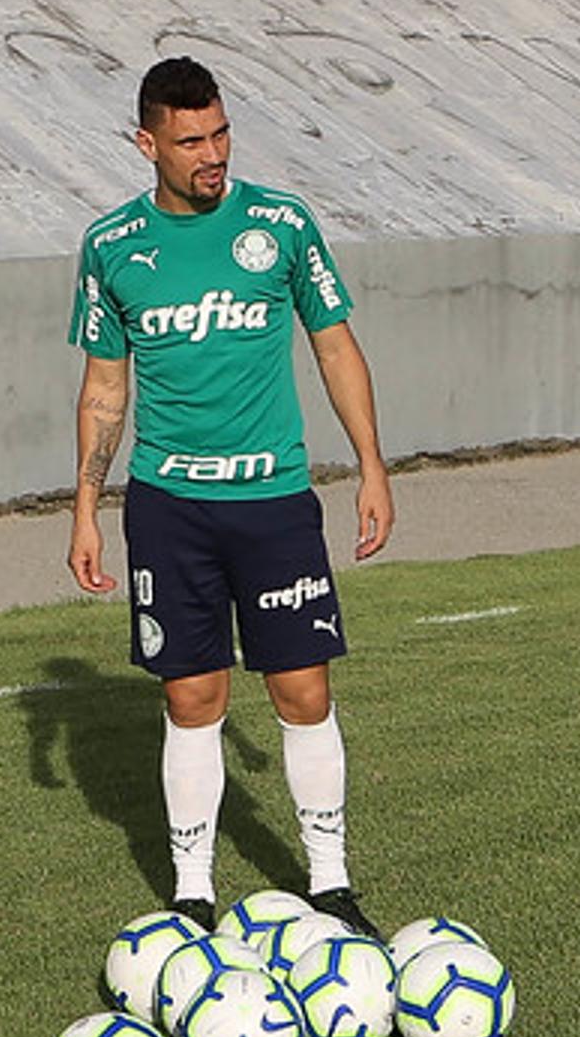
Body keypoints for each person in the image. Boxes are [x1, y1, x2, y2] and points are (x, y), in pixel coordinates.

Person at [65, 57, 395, 940]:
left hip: (277, 501)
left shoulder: (281, 224)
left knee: (301, 689)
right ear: (147, 144)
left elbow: (334, 345)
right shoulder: (110, 246)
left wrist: (371, 464)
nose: (211, 154)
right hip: (169, 507)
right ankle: (192, 892)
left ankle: (331, 881)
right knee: (191, 698)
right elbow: (105, 388)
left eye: (219, 134)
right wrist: (86, 506)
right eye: (189, 141)